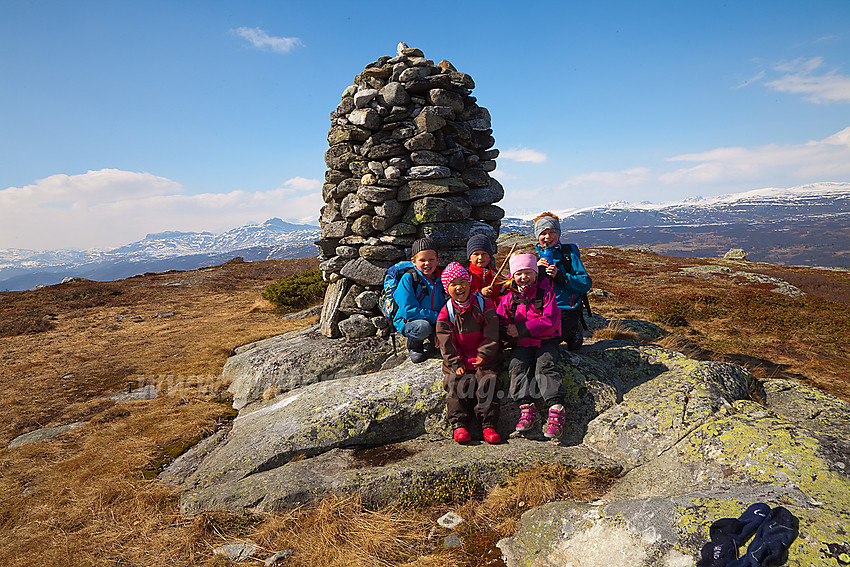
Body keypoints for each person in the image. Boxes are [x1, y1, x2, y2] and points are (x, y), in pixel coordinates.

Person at [496, 253, 567, 439]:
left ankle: (556, 409)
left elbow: (550, 320)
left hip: (545, 341)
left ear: (536, 274)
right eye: (519, 273)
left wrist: (521, 329)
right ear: (513, 276)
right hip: (522, 344)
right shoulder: (509, 298)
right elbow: (501, 319)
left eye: (528, 272)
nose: (524, 277)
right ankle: (526, 409)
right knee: (516, 367)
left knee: (545, 365)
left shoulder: (546, 293)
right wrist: (505, 332)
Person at [435, 261, 501, 444]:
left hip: (483, 357)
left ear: (469, 283)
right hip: (460, 357)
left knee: (487, 382)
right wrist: (456, 363)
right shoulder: (446, 312)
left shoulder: (483, 304)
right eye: (453, 284)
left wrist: (484, 354)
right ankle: (459, 425)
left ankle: (488, 425)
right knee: (456, 383)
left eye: (462, 282)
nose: (459, 287)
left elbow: (492, 332)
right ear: (447, 289)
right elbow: (445, 342)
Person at [533, 212, 592, 351]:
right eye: (543, 233)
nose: (548, 237)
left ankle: (573, 330)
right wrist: (535, 271)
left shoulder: (569, 256)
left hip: (566, 308)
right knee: (537, 342)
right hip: (541, 309)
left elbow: (585, 283)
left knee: (552, 342)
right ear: (537, 236)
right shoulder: (533, 258)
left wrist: (562, 277)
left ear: (558, 233)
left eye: (552, 232)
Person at [392, 237, 445, 363]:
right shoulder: (409, 279)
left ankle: (435, 341)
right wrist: (437, 318)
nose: (427, 263)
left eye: (431, 259)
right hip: (411, 321)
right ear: (413, 261)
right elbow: (408, 310)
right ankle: (414, 345)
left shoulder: (443, 278)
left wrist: (442, 322)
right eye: (422, 260)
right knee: (423, 327)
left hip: (436, 320)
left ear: (437, 259)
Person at [466, 233, 502, 303]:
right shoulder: (467, 276)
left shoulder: (496, 274)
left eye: (484, 254)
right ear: (469, 258)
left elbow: (503, 293)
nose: (480, 257)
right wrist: (480, 293)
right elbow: (463, 297)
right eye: (476, 254)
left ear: (490, 256)